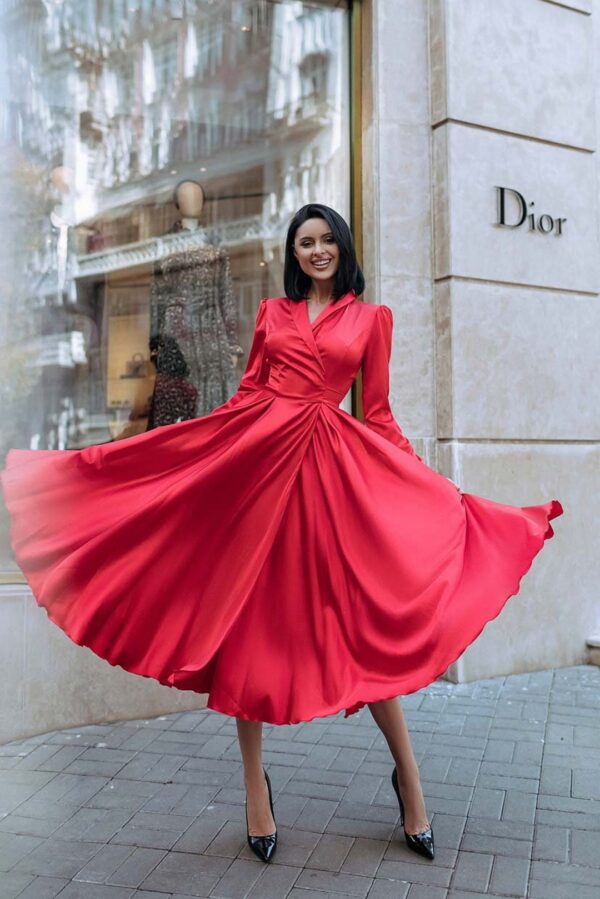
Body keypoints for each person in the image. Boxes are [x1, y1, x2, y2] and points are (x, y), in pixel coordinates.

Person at [0, 203, 563, 868]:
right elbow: (246, 397)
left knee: (361, 621)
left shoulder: (371, 319)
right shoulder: (273, 315)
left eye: (326, 241)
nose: (317, 251)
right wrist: (193, 447)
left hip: (333, 482)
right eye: (305, 243)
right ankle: (254, 790)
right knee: (252, 629)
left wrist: (424, 484)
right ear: (294, 254)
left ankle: (409, 782)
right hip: (261, 474)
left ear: (341, 247)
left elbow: (377, 413)